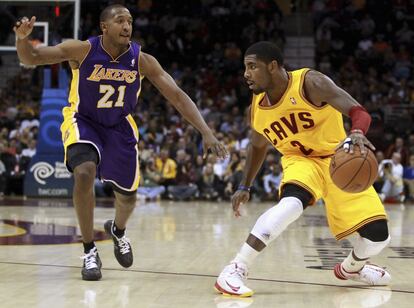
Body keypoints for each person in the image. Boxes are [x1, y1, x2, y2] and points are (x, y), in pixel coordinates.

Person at [14, 4, 227, 281]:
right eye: (120, 20)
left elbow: (176, 95)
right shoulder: (82, 50)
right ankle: (89, 250)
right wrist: (22, 39)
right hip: (84, 120)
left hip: (118, 127)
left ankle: (117, 230)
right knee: (84, 172)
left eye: (130, 21)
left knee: (127, 197)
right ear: (105, 27)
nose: (127, 26)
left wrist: (205, 131)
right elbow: (32, 58)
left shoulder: (142, 60)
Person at [215, 41, 390, 297]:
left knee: (378, 237)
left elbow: (359, 112)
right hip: (300, 160)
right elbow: (257, 146)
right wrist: (245, 185)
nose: (246, 74)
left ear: (273, 66)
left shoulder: (310, 83)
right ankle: (236, 267)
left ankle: (352, 268)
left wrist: (355, 133)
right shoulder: (258, 108)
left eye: (252, 67)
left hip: (338, 159)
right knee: (291, 205)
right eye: (245, 67)